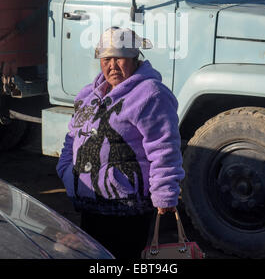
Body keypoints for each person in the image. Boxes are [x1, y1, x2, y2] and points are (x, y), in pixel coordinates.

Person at [56, 27, 185, 259]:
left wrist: (165, 192)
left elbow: (164, 147)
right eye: (106, 59)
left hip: (126, 208)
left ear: (135, 59)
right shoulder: (89, 94)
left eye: (120, 58)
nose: (112, 65)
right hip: (89, 200)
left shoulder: (151, 94)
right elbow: (72, 135)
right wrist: (66, 170)